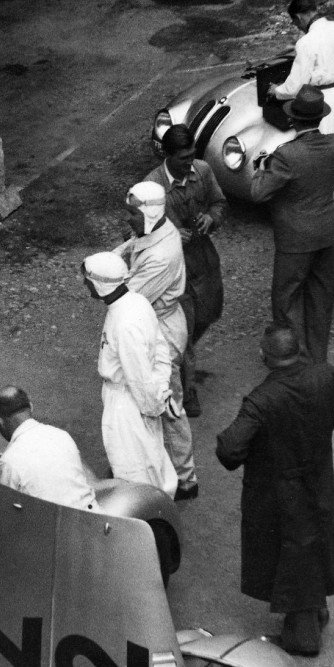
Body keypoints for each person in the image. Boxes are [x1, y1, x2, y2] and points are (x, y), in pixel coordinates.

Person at [215, 325, 334, 657]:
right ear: (298, 350)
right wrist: (328, 418)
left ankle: (303, 637)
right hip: (317, 478)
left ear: (264, 357)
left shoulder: (261, 400)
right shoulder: (325, 377)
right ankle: (315, 611)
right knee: (313, 542)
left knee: (291, 552)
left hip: (277, 488)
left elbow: (229, 449)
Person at [113, 180, 199, 500]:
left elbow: (128, 297)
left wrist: (107, 273)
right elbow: (132, 244)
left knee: (167, 404)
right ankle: (147, 465)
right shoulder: (156, 231)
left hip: (160, 331)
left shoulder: (161, 255)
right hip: (155, 325)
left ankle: (185, 476)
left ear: (150, 213)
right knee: (145, 400)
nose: (128, 220)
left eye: (132, 214)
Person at [250, 85, 334, 365]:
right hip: (326, 232)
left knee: (287, 300)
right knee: (320, 298)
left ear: (293, 119)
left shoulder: (286, 155)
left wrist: (262, 168)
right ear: (319, 117)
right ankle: (317, 358)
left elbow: (258, 193)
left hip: (294, 239)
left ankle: (294, 360)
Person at [147, 124, 227, 418]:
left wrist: (211, 218)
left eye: (192, 155)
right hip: (172, 273)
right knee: (183, 331)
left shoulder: (203, 171)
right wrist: (166, 233)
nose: (189, 163)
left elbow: (219, 203)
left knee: (211, 313)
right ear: (167, 157)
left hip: (203, 260)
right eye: (183, 158)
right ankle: (186, 389)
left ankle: (178, 358)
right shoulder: (151, 188)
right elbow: (133, 233)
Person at [82, 251, 177, 498]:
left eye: (87, 281)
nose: (85, 285)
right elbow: (161, 350)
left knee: (133, 470)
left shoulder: (125, 324)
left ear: (99, 284)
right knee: (147, 458)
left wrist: (153, 405)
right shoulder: (137, 302)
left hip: (128, 404)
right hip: (135, 396)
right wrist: (161, 389)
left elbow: (139, 377)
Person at [268, 0, 334, 152]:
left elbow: (295, 86)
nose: (298, 28)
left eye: (296, 23)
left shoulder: (306, 42)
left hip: (325, 102)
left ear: (298, 18)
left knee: (326, 152)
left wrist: (276, 91)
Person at [0, 385, 96, 510]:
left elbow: (3, 512)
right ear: (31, 407)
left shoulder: (9, 461)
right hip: (90, 518)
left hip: (52, 526)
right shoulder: (62, 436)